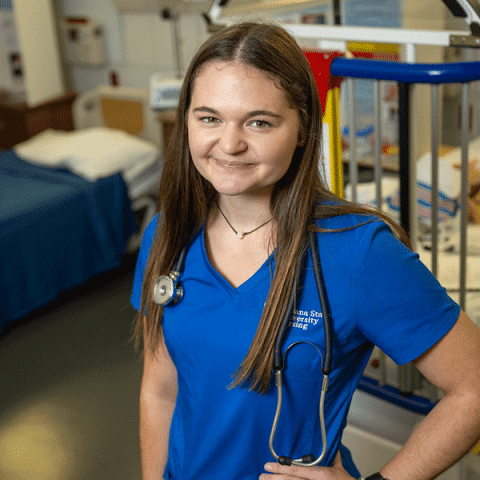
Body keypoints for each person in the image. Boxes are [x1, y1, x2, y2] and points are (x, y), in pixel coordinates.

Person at [130, 22, 480, 480]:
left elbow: (472, 387)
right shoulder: (167, 233)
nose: (230, 143)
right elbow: (161, 391)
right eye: (209, 117)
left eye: (259, 122)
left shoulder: (358, 252)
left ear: (302, 129)